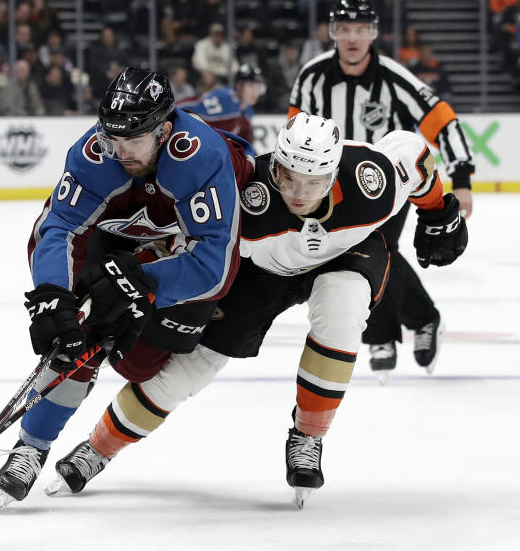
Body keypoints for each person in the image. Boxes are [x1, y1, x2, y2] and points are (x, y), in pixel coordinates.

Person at [47, 114, 468, 506]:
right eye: (288, 178)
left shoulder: (371, 181)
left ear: (334, 173)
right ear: (276, 168)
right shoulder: (246, 199)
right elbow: (191, 241)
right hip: (259, 270)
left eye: (314, 180)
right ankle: (97, 449)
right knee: (191, 367)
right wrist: (136, 274)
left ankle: (308, 437)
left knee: (341, 315)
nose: (299, 193)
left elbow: (412, 153)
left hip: (349, 256)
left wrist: (437, 211)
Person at [0, 67, 255, 507]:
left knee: (140, 366)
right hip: (116, 240)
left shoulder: (202, 156)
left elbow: (214, 267)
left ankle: (101, 445)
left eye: (133, 140)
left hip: (179, 253)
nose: (119, 151)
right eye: (112, 138)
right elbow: (56, 227)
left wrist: (139, 282)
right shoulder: (96, 154)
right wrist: (53, 296)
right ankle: (31, 447)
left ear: (164, 130)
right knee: (75, 337)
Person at [288, 0, 475, 382]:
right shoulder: (312, 77)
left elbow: (441, 119)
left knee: (376, 247)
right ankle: (409, 325)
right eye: (344, 29)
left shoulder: (393, 76)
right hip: (332, 187)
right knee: (351, 253)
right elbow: (294, 131)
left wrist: (463, 178)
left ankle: (392, 334)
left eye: (360, 30)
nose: (352, 38)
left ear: (373, 34)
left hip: (387, 181)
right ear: (333, 32)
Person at [176, 63, 265, 142]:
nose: (255, 92)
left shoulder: (248, 109)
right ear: (239, 85)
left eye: (258, 87)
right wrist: (171, 109)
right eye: (251, 86)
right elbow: (193, 105)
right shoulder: (224, 99)